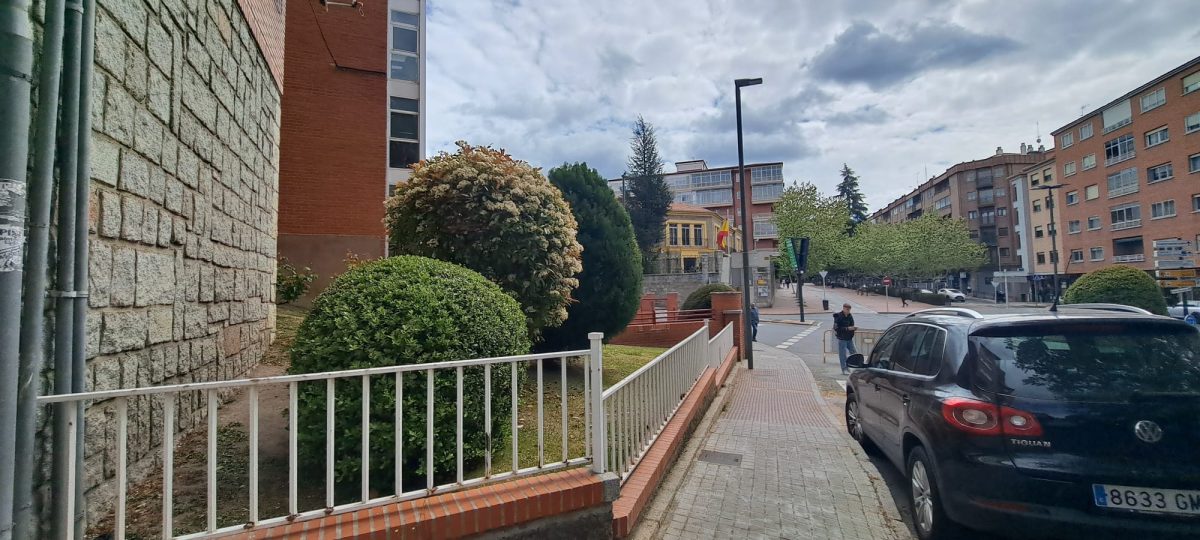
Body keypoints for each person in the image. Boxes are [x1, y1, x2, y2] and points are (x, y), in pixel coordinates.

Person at [833, 303, 858, 375]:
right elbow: (836, 328)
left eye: (849, 310)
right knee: (843, 354)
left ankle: (854, 366)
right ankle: (844, 369)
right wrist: (847, 328)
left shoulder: (850, 316)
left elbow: (852, 324)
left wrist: (853, 328)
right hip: (842, 338)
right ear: (843, 308)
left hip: (849, 337)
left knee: (854, 352)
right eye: (847, 309)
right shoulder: (838, 316)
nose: (848, 311)